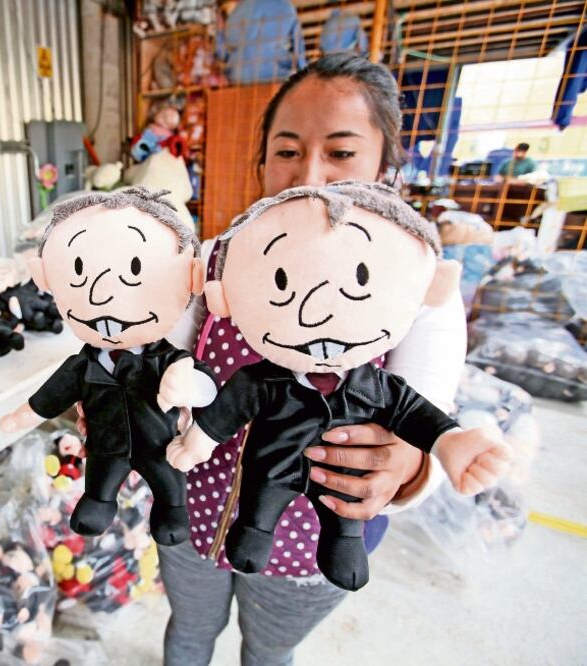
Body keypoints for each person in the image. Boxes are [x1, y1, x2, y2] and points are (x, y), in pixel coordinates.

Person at [86, 53, 467, 665]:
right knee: (188, 630)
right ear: (261, 161)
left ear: (386, 167)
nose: (309, 176)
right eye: (287, 151)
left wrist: (407, 470)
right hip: (192, 517)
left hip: (313, 547)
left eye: (341, 153)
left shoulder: (417, 283)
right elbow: (163, 354)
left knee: (267, 654)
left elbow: (429, 421)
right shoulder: (211, 260)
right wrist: (125, 397)